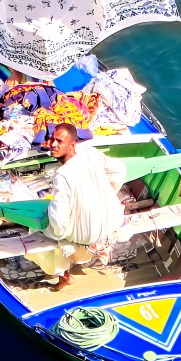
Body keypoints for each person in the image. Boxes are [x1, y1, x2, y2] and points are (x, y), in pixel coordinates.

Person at [35, 123, 126, 290]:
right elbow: (119, 169)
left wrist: (56, 233)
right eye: (52, 139)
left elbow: (59, 221)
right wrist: (108, 193)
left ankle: (63, 275)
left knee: (41, 227)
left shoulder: (62, 176)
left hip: (89, 236)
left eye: (59, 141)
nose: (53, 145)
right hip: (114, 220)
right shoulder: (89, 152)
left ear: (72, 145)